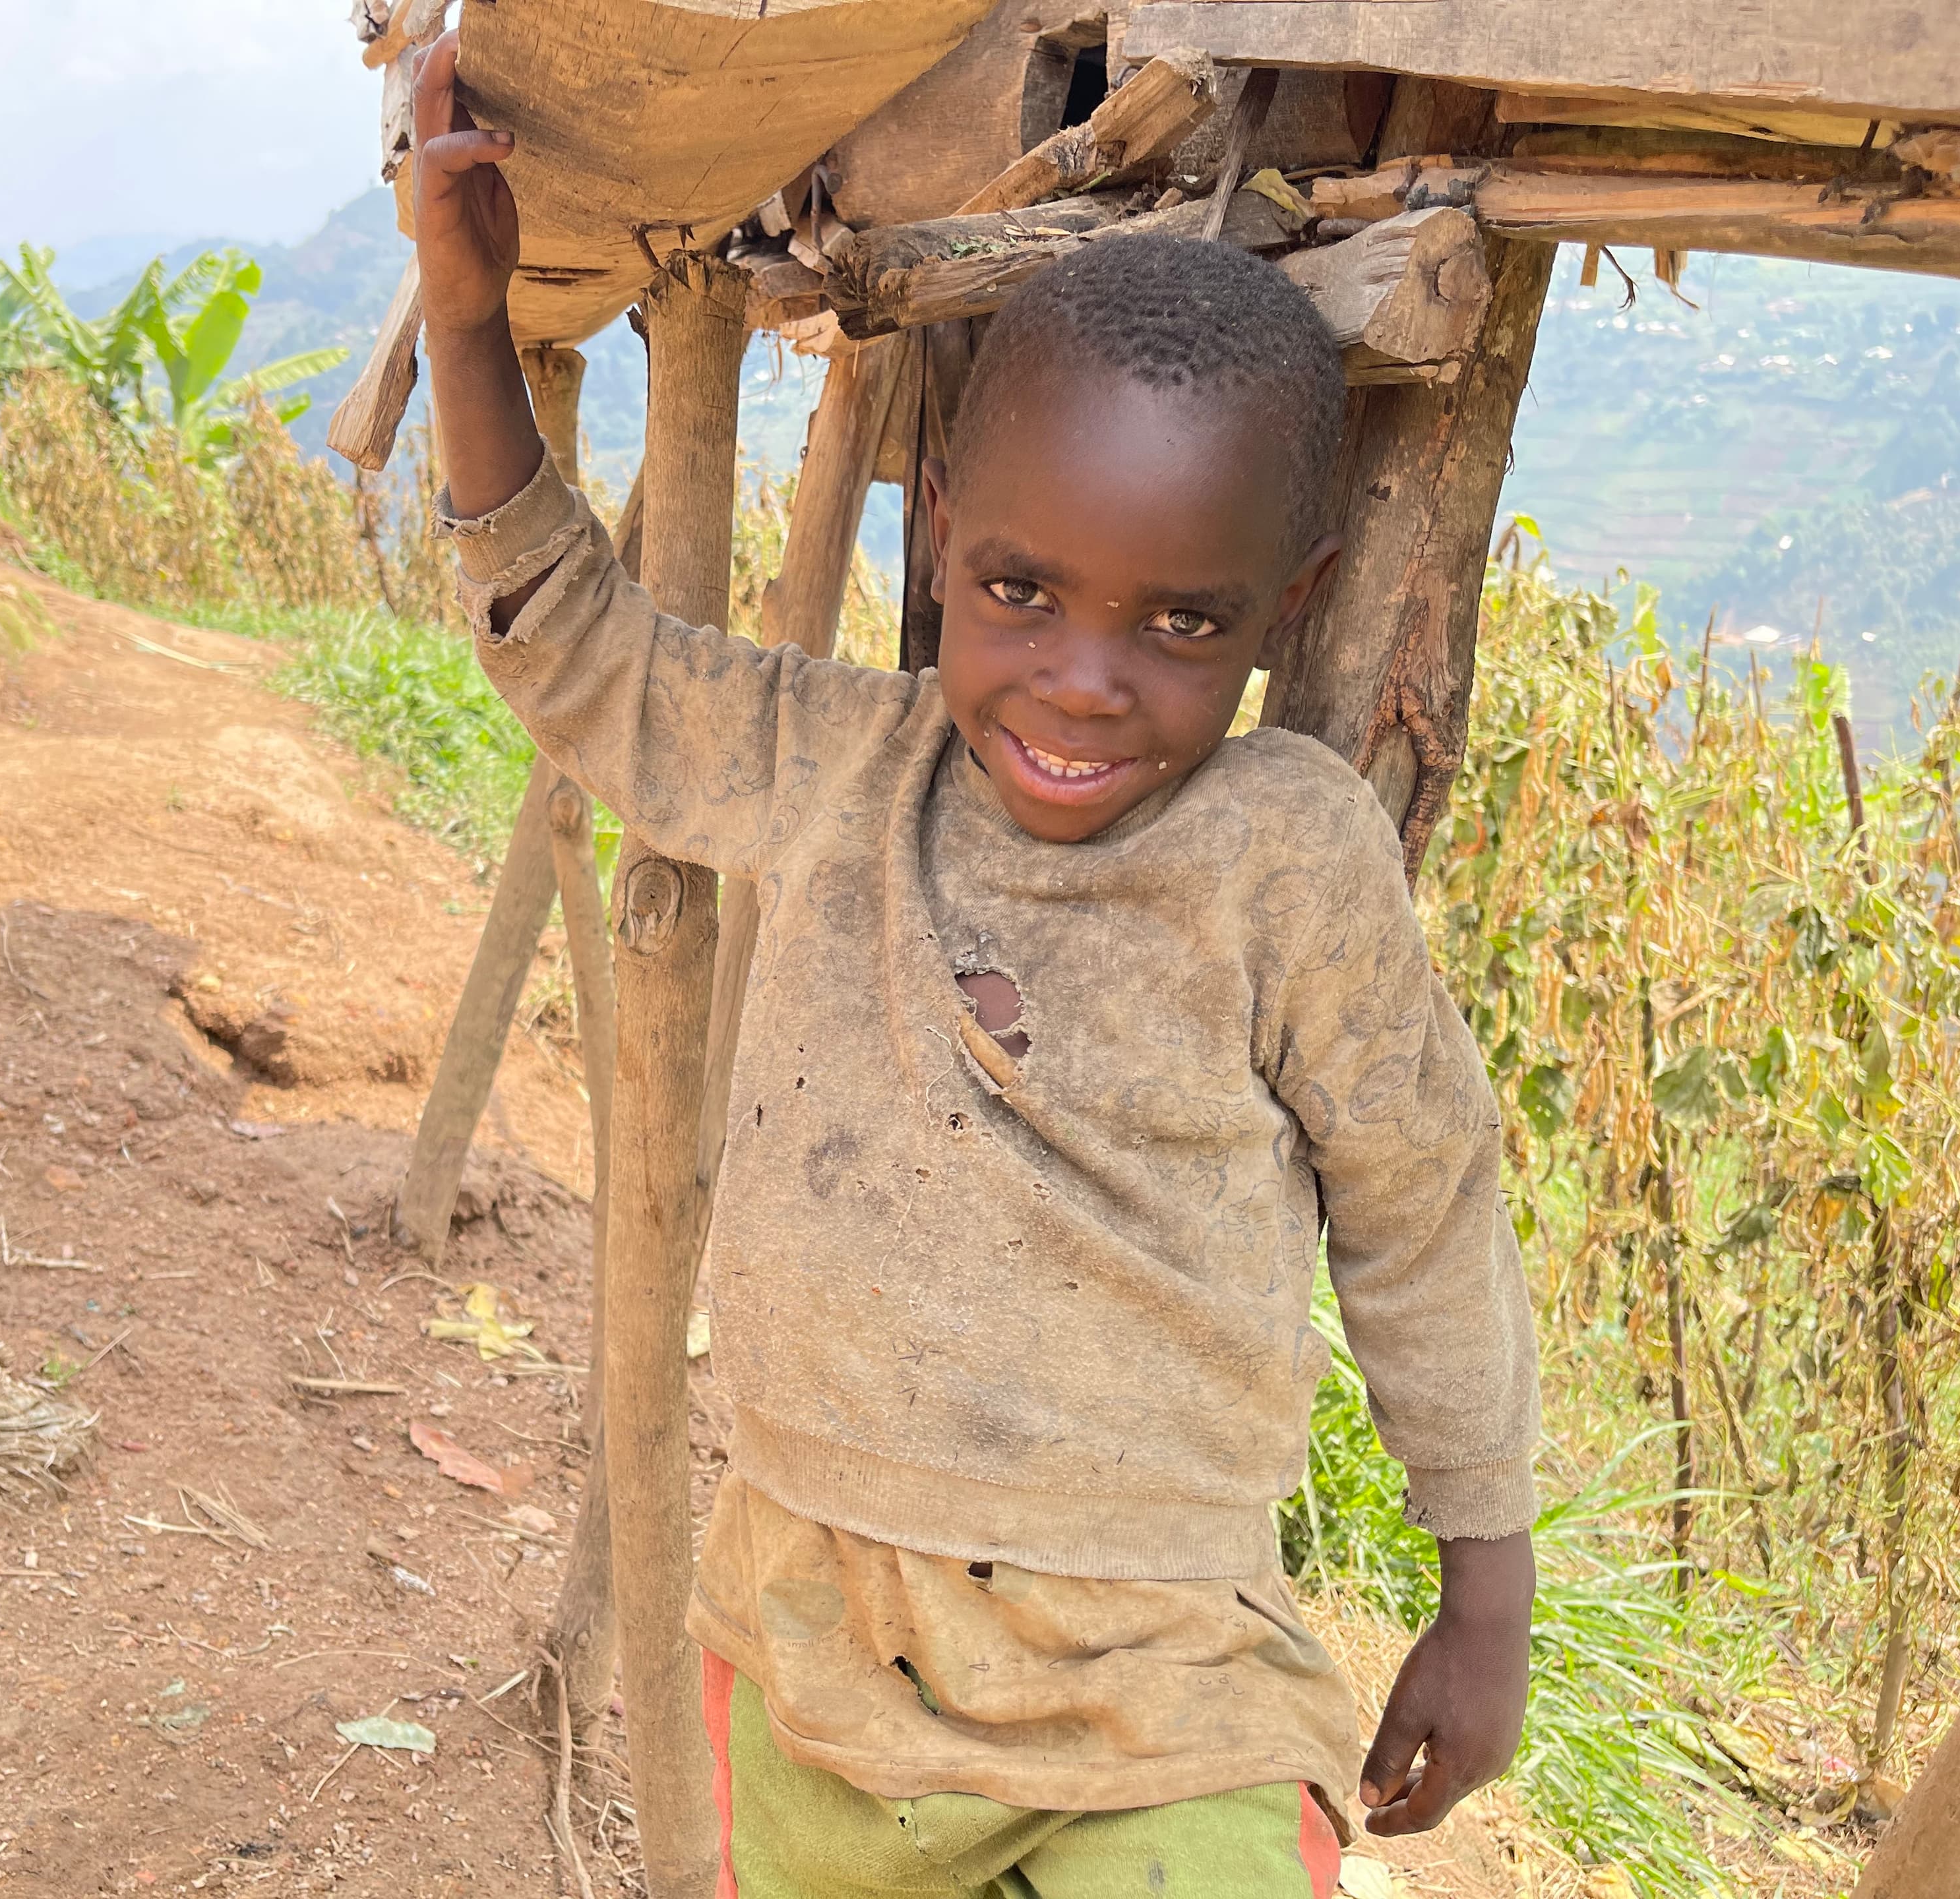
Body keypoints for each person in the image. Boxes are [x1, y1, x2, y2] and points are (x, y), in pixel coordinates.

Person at [412, 30, 1540, 1897]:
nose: (1086, 682)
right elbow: (579, 652)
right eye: (1023, 591)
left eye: (1183, 622)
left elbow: (1423, 1207)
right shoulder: (844, 764)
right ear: (940, 540)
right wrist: (466, 329)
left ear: (1296, 604)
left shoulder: (1289, 852)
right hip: (820, 1647)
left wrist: (1484, 1580)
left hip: (1160, 1691)